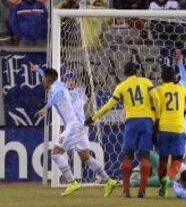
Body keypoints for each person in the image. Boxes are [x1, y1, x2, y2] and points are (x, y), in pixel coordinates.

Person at [34, 68, 117, 197]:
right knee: (86, 157)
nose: (41, 80)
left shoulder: (61, 89)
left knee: (55, 154)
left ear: (47, 79)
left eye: (43, 78)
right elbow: (52, 81)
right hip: (79, 126)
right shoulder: (60, 85)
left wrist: (46, 108)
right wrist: (38, 70)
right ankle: (109, 180)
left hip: (74, 126)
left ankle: (72, 182)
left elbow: (57, 96)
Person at [85, 62, 160, 198]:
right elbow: (156, 99)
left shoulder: (122, 86)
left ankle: (126, 191)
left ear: (124, 73)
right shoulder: (146, 82)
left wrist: (93, 117)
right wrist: (157, 118)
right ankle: (142, 191)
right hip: (146, 121)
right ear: (137, 71)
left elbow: (108, 106)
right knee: (145, 156)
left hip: (131, 122)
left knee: (128, 156)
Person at [155, 66, 186, 197]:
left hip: (163, 128)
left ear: (162, 78)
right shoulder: (181, 89)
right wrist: (184, 110)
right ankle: (168, 177)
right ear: (174, 77)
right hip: (178, 129)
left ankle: (162, 185)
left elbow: (154, 108)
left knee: (162, 159)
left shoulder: (158, 90)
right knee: (177, 159)